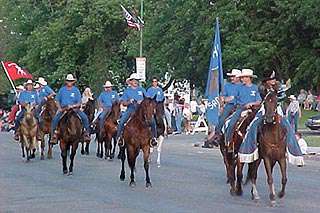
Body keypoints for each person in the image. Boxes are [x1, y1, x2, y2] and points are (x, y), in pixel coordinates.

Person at [239, 70, 304, 166]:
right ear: (266, 81)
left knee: (288, 127)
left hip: (277, 108)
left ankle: (295, 153)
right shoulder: (261, 88)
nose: (273, 80)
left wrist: (277, 94)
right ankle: (250, 149)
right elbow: (261, 99)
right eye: (271, 79)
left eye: (274, 78)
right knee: (253, 125)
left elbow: (283, 97)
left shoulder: (279, 87)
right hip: (264, 109)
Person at [116, 73, 157, 147]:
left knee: (152, 121)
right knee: (122, 121)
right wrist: (129, 101)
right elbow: (123, 103)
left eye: (137, 80)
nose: (136, 81)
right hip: (131, 109)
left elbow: (148, 99)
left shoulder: (142, 90)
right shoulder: (127, 91)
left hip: (142, 110)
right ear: (130, 81)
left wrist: (142, 101)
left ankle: (153, 138)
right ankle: (120, 138)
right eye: (134, 80)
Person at [224, 69, 262, 145]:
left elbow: (259, 100)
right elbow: (234, 98)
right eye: (242, 77)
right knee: (232, 123)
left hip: (253, 109)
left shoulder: (255, 88)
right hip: (241, 108)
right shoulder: (239, 88)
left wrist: (252, 103)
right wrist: (226, 99)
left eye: (244, 77)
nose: (242, 79)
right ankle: (228, 141)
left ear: (249, 78)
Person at [51, 74, 91, 144]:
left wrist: (73, 106)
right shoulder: (62, 90)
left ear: (73, 82)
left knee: (84, 117)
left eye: (71, 81)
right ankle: (53, 135)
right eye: (68, 81)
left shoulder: (76, 90)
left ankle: (86, 133)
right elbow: (57, 100)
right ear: (66, 82)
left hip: (74, 109)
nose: (69, 82)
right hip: (64, 109)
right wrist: (59, 108)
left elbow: (79, 102)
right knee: (55, 119)